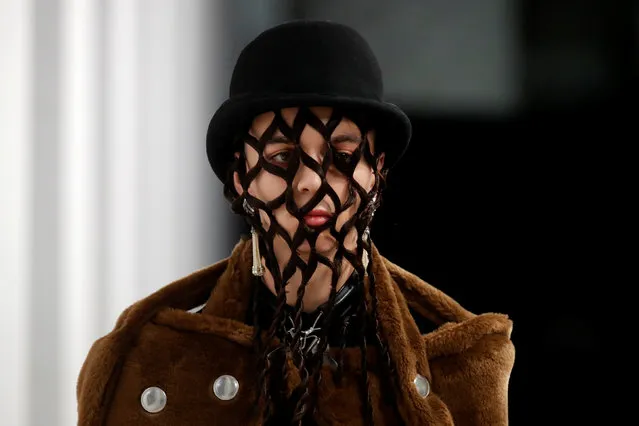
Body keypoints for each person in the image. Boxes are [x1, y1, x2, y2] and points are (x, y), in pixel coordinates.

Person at [77, 20, 514, 425]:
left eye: (342, 156)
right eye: (281, 157)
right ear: (240, 175)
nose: (310, 182)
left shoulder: (462, 366)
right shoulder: (145, 361)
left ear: (377, 170)